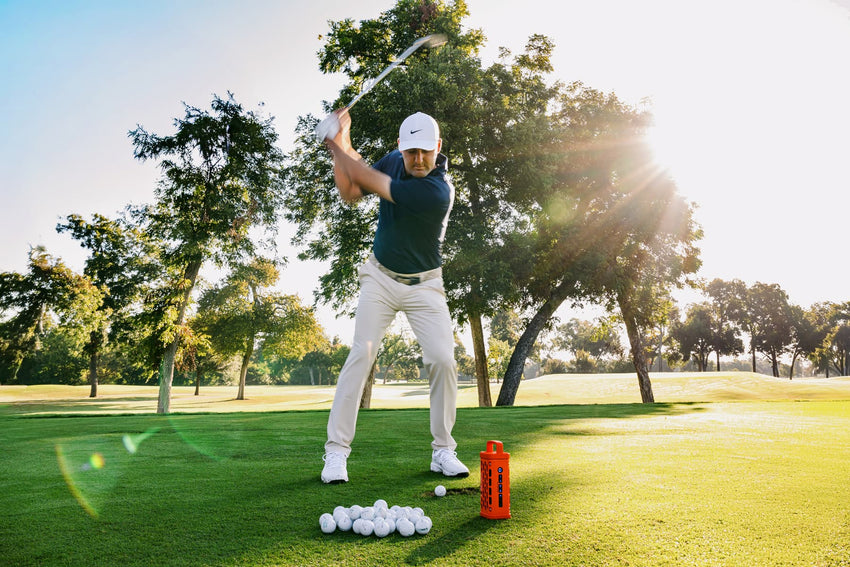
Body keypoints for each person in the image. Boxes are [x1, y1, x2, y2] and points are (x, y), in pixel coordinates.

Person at [319, 109, 469, 484]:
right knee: (361, 354)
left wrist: (334, 145)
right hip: (380, 278)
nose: (418, 160)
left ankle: (442, 451)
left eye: (425, 152)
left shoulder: (438, 190)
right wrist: (343, 141)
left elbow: (365, 177)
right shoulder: (393, 162)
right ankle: (336, 454)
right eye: (410, 152)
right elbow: (350, 191)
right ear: (400, 148)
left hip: (425, 286)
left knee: (442, 360)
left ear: (437, 148)